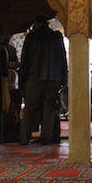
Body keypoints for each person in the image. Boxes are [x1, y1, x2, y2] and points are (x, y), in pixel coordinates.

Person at [20, 16, 68, 145]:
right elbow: (62, 59)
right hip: (53, 78)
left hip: (34, 78)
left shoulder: (31, 37)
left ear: (36, 22)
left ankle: (24, 138)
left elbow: (25, 61)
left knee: (29, 109)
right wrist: (64, 79)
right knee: (49, 110)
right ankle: (46, 138)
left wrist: (22, 82)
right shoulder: (56, 37)